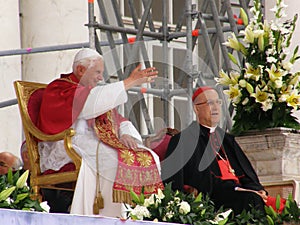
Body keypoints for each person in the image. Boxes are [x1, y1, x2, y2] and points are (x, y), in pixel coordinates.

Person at [36, 48, 164, 217]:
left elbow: (118, 119)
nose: (100, 77)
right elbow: (87, 105)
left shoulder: (93, 92)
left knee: (149, 156)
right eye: (97, 72)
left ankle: (143, 214)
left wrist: (125, 134)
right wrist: (128, 82)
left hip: (92, 143)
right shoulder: (60, 88)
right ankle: (111, 216)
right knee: (114, 159)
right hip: (66, 144)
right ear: (81, 70)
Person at [162, 86, 267, 215]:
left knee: (287, 206)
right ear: (196, 108)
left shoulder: (228, 140)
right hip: (213, 200)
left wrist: (257, 189)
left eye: (218, 102)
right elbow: (173, 184)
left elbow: (247, 174)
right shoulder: (183, 140)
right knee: (251, 200)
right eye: (210, 103)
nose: (216, 107)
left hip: (242, 194)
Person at [20, 141, 74, 213]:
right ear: (27, 156)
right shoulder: (14, 179)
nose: (48, 156)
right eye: (43, 150)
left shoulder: (56, 178)